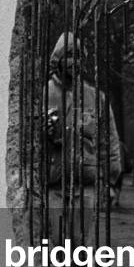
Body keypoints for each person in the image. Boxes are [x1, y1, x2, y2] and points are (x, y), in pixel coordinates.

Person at [45, 32, 122, 247]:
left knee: (82, 246)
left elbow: (109, 141)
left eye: (79, 56)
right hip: (53, 185)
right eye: (70, 55)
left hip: (86, 185)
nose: (75, 62)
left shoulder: (95, 97)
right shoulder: (43, 96)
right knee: (56, 247)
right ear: (57, 59)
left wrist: (111, 180)